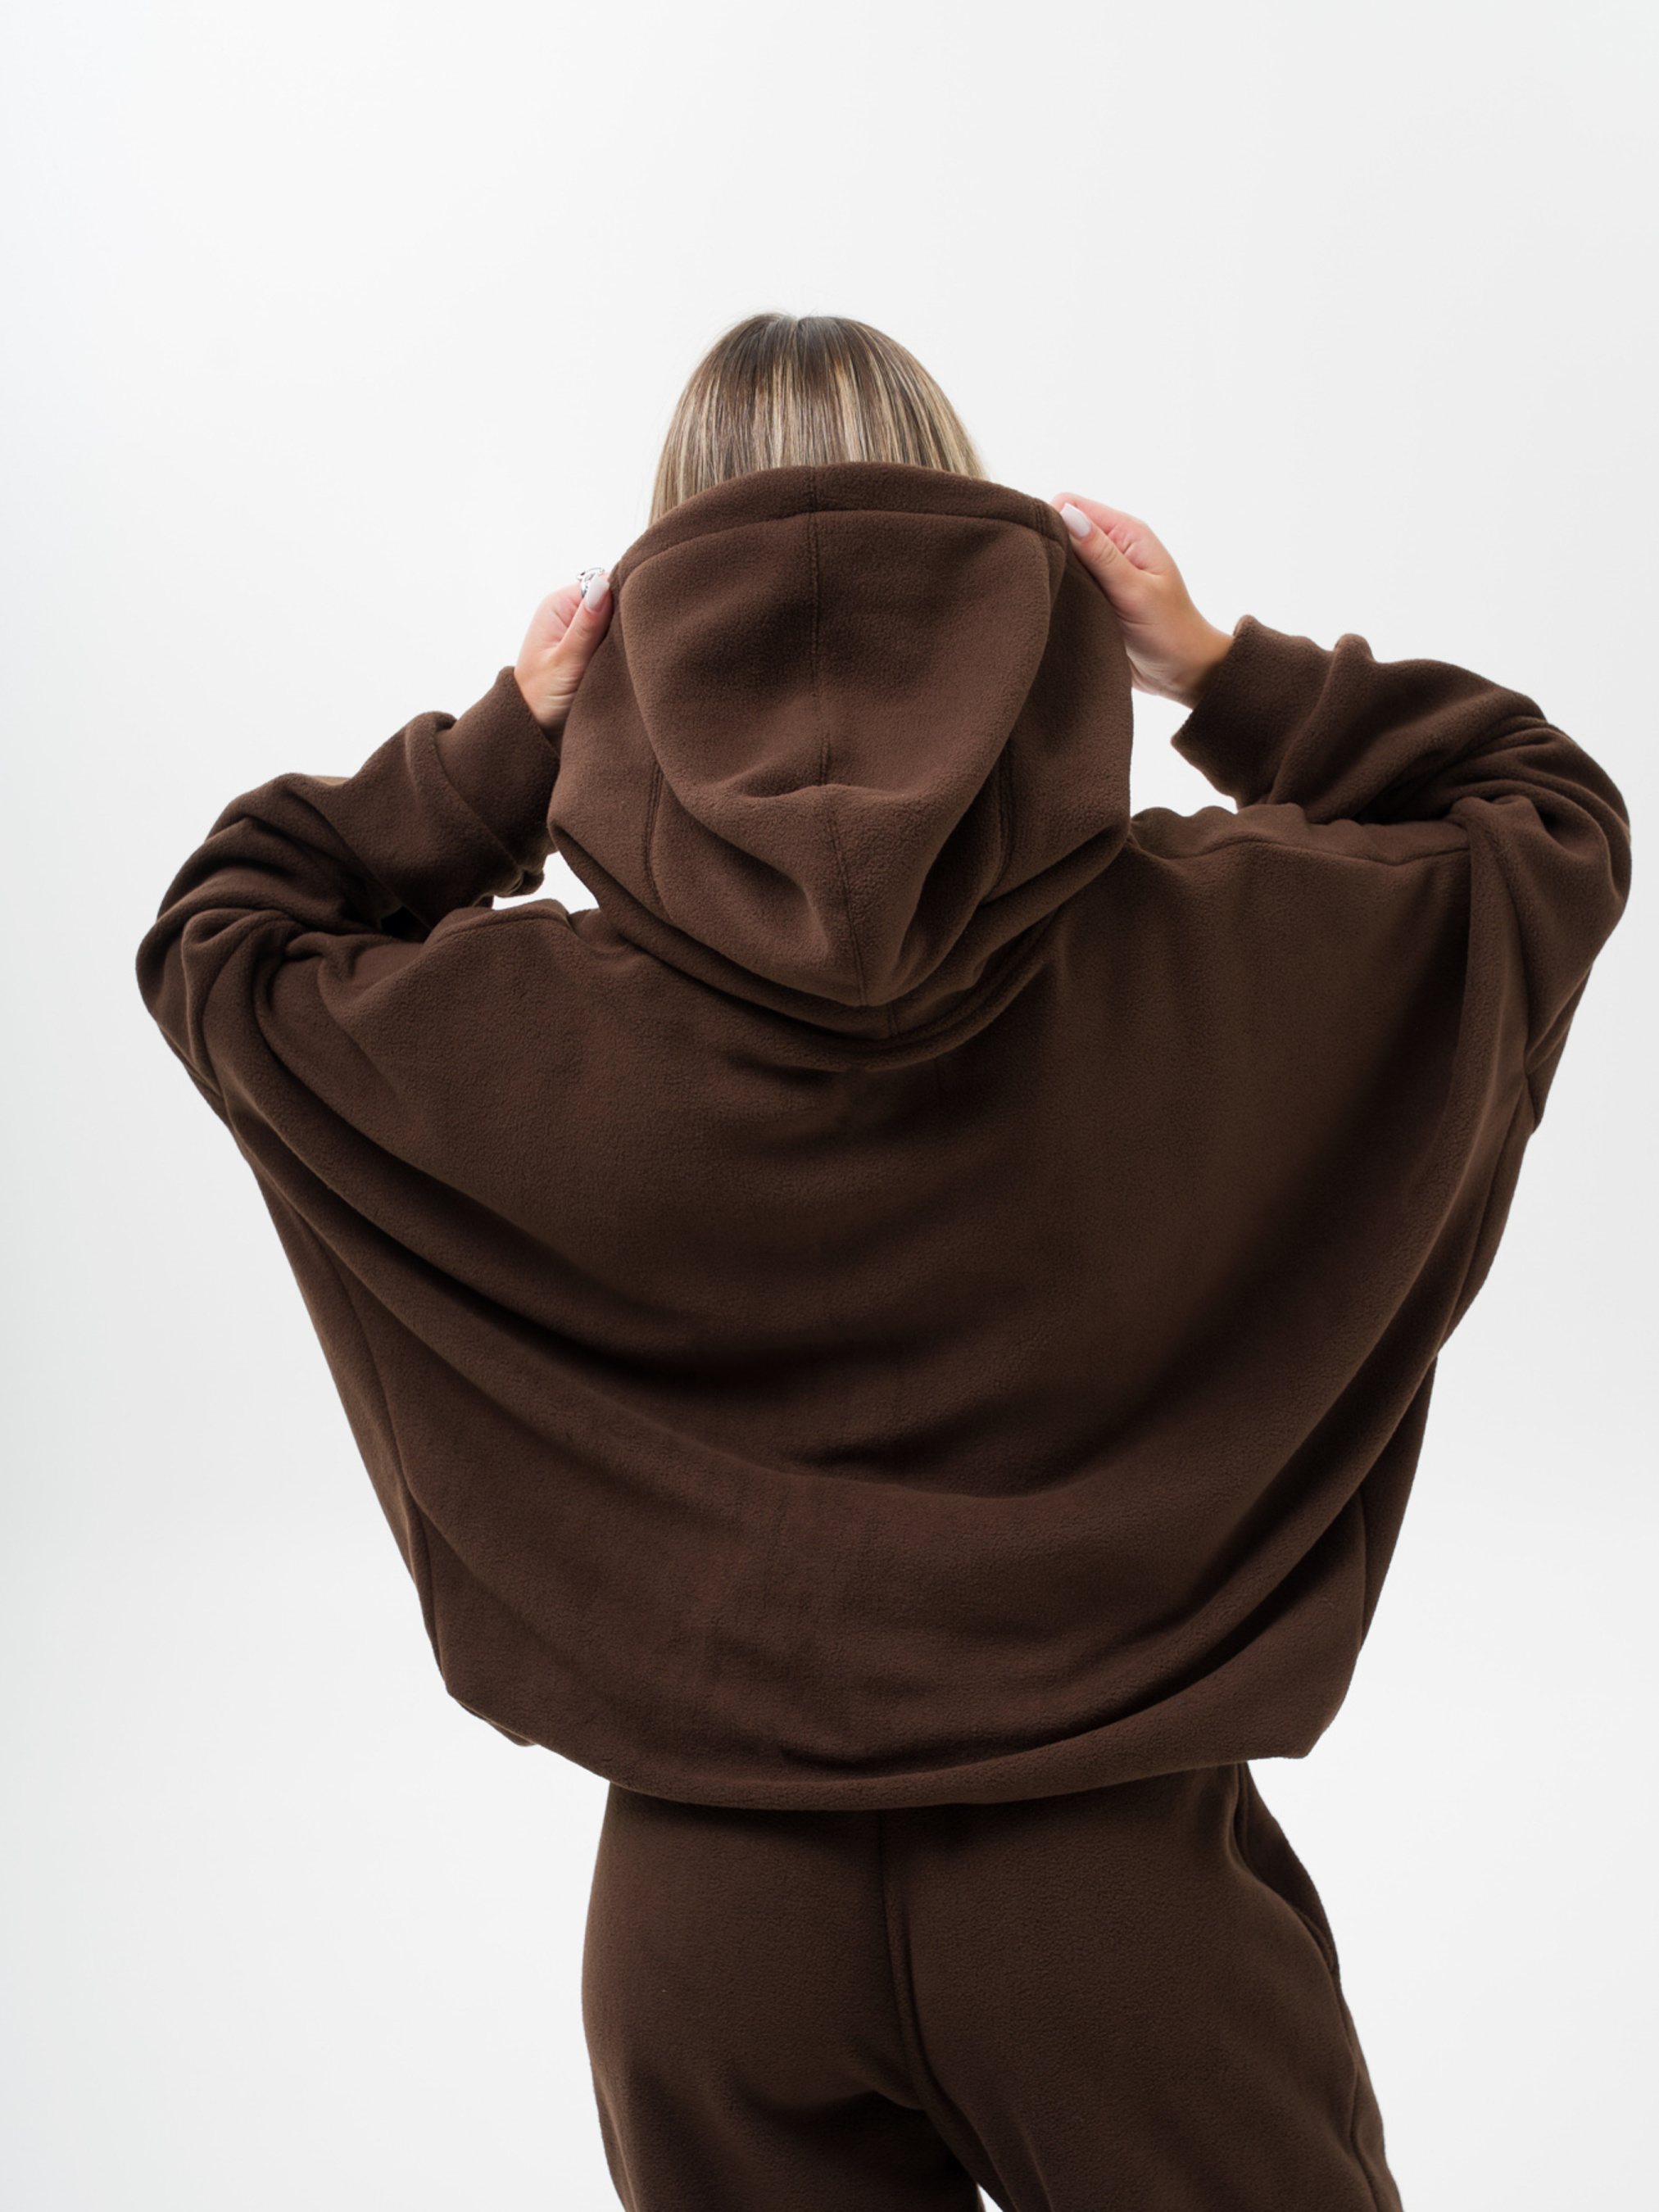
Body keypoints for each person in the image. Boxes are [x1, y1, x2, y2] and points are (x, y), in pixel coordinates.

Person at [136, 312, 1631, 2211]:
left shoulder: (521, 1028)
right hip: (1116, 1909)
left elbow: (227, 938)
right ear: (1008, 596)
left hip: (706, 1928)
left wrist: (506, 745)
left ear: (650, 633)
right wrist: (1215, 666)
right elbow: (1540, 820)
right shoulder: (1225, 941)